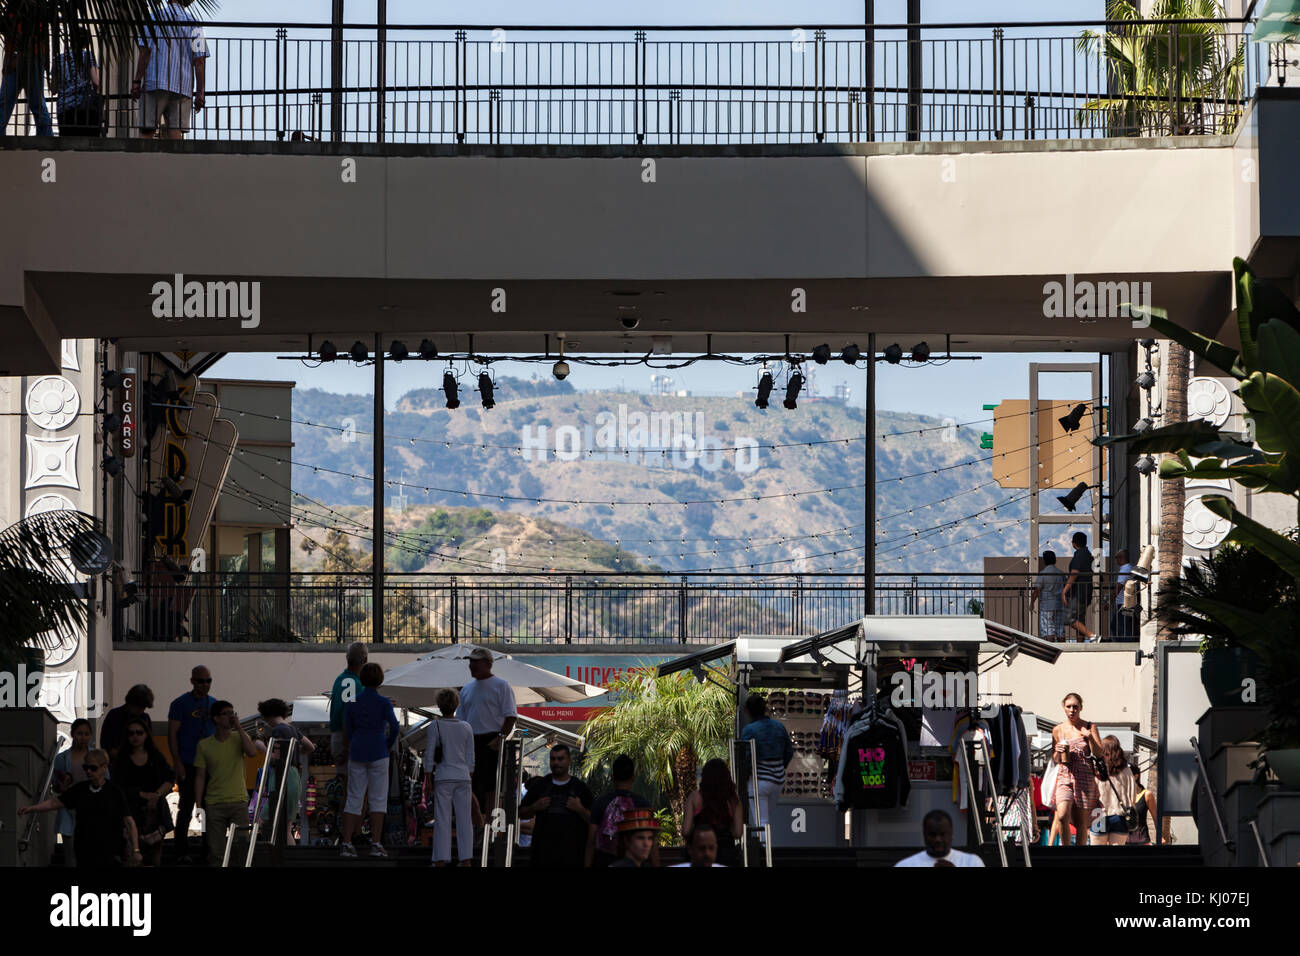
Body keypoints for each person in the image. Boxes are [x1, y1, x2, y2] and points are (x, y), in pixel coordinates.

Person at [20, 749, 140, 867]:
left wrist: (136, 849)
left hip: (107, 847)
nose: (88, 771)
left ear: (104, 768)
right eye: (85, 767)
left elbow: (129, 822)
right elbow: (54, 803)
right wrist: (31, 808)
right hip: (84, 846)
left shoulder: (114, 792)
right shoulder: (80, 790)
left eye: (93, 768)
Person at [340, 663, 400, 859]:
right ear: (381, 680)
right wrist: (387, 744)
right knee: (378, 799)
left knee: (354, 798)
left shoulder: (351, 702)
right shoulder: (384, 703)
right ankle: (376, 843)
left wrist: (353, 741)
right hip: (378, 751)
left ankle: (347, 843)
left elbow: (347, 729)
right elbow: (394, 726)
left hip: (357, 751)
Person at [194, 700, 264, 866]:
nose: (231, 716)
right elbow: (200, 776)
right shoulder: (204, 745)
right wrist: (198, 804)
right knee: (216, 851)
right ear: (216, 718)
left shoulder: (239, 738)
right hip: (214, 803)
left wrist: (239, 728)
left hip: (238, 801)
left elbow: (253, 752)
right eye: (226, 713)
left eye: (233, 713)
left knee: (242, 848)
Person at [131, 0, 209, 140]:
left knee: (146, 130)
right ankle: (177, 161)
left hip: (155, 81)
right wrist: (200, 92)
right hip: (182, 86)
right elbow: (199, 60)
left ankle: (143, 161)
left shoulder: (155, 17)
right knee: (175, 132)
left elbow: (145, 51)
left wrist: (137, 81)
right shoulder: (194, 23)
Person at [456, 647, 517, 813]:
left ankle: (488, 825)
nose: (472, 665)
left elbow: (510, 716)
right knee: (470, 785)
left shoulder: (502, 686)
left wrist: (499, 739)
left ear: (487, 664)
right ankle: (476, 824)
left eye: (476, 662)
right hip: (470, 740)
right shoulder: (466, 689)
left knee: (491, 787)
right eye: (471, 662)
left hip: (491, 740)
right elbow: (460, 719)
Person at [111, 717, 176, 867]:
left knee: (155, 856)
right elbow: (117, 786)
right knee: (131, 855)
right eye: (131, 733)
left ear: (146, 734)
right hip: (130, 811)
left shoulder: (155, 756)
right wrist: (141, 794)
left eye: (139, 733)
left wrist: (157, 794)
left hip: (154, 811)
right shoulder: (121, 759)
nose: (135, 736)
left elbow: (170, 776)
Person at [168, 665, 215, 864]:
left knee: (207, 809)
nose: (205, 684)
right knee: (186, 807)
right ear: (192, 681)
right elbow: (171, 734)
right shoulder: (180, 703)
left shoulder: (215, 704)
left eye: (208, 681)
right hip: (187, 763)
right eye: (201, 681)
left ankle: (207, 850)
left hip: (209, 766)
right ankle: (180, 851)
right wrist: (177, 762)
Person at [519, 743, 593, 868]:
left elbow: (594, 821)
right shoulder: (541, 786)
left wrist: (580, 809)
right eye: (553, 759)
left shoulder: (580, 788)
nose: (556, 763)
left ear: (569, 760)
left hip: (572, 856)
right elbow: (521, 812)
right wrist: (534, 807)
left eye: (560, 759)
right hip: (543, 856)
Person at [429, 687, 475, 867]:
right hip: (463, 776)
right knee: (465, 819)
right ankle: (466, 859)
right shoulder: (466, 727)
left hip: (443, 776)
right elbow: (471, 756)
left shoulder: (435, 725)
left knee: (443, 819)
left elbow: (430, 754)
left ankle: (441, 858)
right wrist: (468, 772)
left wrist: (427, 774)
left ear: (439, 706)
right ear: (456, 705)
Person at [256, 698, 315, 839]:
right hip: (294, 776)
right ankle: (290, 858)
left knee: (263, 821)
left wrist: (262, 747)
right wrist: (296, 753)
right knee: (286, 827)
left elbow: (275, 758)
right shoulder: (292, 729)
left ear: (267, 715)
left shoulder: (278, 730)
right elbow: (310, 746)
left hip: (281, 776)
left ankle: (268, 854)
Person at [1050, 692, 1103, 847]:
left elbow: (1098, 753)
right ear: (1063, 707)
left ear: (1081, 708)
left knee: (1081, 823)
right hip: (1064, 775)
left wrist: (1090, 738)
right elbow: (1054, 759)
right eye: (1069, 707)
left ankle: (1078, 856)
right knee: (1061, 815)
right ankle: (1066, 850)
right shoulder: (1057, 730)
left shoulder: (1089, 727)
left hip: (1084, 777)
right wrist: (1057, 751)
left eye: (1075, 707)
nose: (1072, 710)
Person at [738, 694, 793, 836]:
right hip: (778, 779)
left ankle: (762, 852)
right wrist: (781, 767)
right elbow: (789, 751)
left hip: (759, 779)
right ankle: (764, 848)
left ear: (748, 711)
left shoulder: (749, 730)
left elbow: (745, 757)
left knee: (761, 820)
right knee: (765, 818)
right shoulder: (779, 726)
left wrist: (744, 777)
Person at [587, 754, 653, 868]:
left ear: (612, 778)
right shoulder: (642, 803)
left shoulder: (601, 802)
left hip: (604, 861)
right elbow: (652, 843)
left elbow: (591, 841)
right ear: (633, 777)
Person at [0, 3, 53, 135]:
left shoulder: (30, 9)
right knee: (36, 104)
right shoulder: (15, 9)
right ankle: (46, 139)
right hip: (23, 57)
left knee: (8, 101)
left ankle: (46, 138)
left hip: (28, 57)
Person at [683, 758, 743, 868]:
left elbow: (686, 831)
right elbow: (738, 833)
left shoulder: (695, 797)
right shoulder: (733, 800)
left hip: (700, 852)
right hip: (726, 853)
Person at [52, 718, 93, 865]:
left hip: (91, 809)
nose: (83, 737)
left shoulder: (96, 757)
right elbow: (55, 784)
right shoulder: (61, 758)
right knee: (70, 854)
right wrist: (60, 787)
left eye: (86, 734)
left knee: (89, 854)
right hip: (68, 808)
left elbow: (105, 781)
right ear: (72, 734)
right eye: (79, 734)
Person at [49, 27, 100, 136]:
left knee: (67, 144)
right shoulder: (87, 56)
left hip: (64, 109)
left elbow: (53, 89)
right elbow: (96, 82)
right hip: (84, 108)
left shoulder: (58, 59)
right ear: (85, 43)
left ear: (70, 42)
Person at [1090, 735, 1137, 846]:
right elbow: (1132, 795)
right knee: (1116, 858)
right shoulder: (1126, 770)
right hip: (1120, 816)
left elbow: (1091, 793)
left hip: (1099, 814)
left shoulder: (1097, 769)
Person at [895, 810, 985, 867]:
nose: (938, 840)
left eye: (943, 834)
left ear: (951, 834)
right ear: (924, 835)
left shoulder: (972, 862)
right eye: (932, 835)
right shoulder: (906, 865)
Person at [330, 642, 367, 775]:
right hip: (350, 739)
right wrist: (347, 747)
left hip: (340, 737)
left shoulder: (339, 680)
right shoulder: (357, 684)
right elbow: (348, 716)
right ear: (365, 659)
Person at [100, 683, 155, 759]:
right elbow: (106, 744)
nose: (141, 710)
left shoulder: (145, 718)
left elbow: (150, 745)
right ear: (131, 703)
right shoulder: (114, 716)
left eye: (144, 707)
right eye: (139, 707)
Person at [1062, 531, 1098, 642]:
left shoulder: (1079, 555)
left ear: (1074, 543)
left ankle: (1092, 636)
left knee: (1069, 618)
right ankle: (1080, 644)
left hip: (1078, 593)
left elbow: (1074, 573)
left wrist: (1064, 591)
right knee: (1080, 620)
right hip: (1086, 592)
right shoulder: (1089, 555)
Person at [1031, 550, 1066, 641]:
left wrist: (1032, 603)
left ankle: (1051, 650)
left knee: (1048, 630)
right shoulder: (1061, 573)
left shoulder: (1043, 574)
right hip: (1060, 605)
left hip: (1046, 606)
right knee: (1060, 629)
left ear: (1045, 561)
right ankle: (1064, 650)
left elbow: (1037, 590)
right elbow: (1066, 587)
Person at [1127, 765, 1159, 846]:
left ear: (1135, 776)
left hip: (1142, 841)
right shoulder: (1121, 796)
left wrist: (1160, 836)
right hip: (1123, 841)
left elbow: (1156, 818)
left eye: (1127, 775)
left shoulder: (1147, 795)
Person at [1110, 549, 1137, 640]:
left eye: (1116, 557)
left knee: (1119, 626)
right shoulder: (1130, 567)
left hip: (1123, 603)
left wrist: (1110, 600)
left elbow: (1119, 586)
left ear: (1121, 558)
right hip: (1128, 602)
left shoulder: (1125, 568)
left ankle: (1124, 644)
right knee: (1124, 625)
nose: (1116, 560)